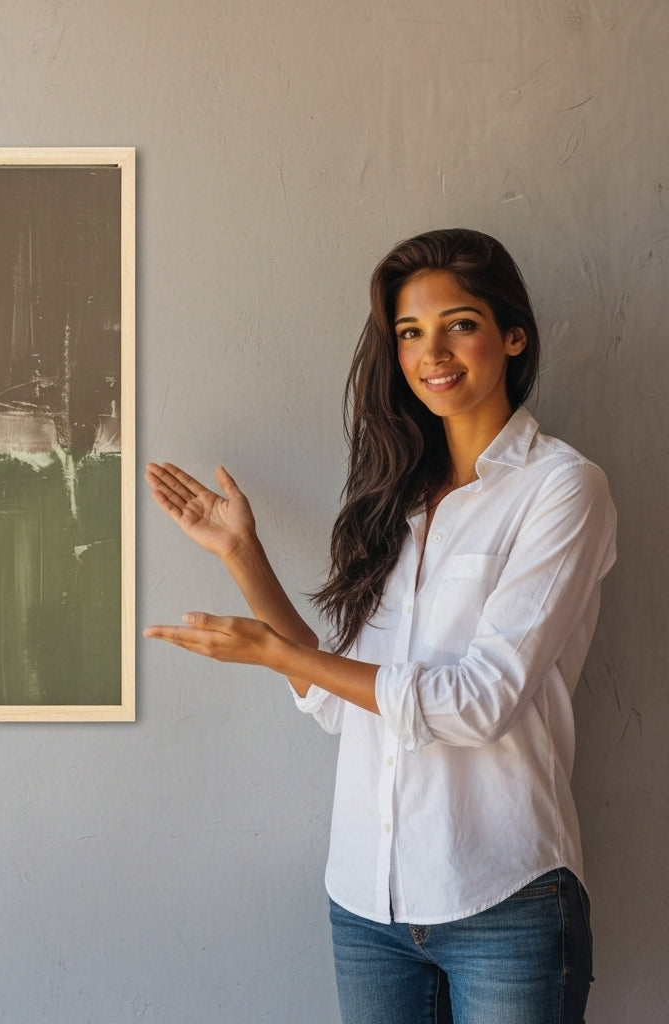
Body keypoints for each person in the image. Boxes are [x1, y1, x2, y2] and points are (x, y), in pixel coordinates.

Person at [144, 228, 616, 1024]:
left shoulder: (562, 489)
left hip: (504, 899)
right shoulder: (392, 498)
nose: (433, 351)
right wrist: (242, 554)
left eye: (458, 323)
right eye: (409, 333)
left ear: (512, 335)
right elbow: (339, 700)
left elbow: (477, 703)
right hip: (365, 904)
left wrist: (266, 651)